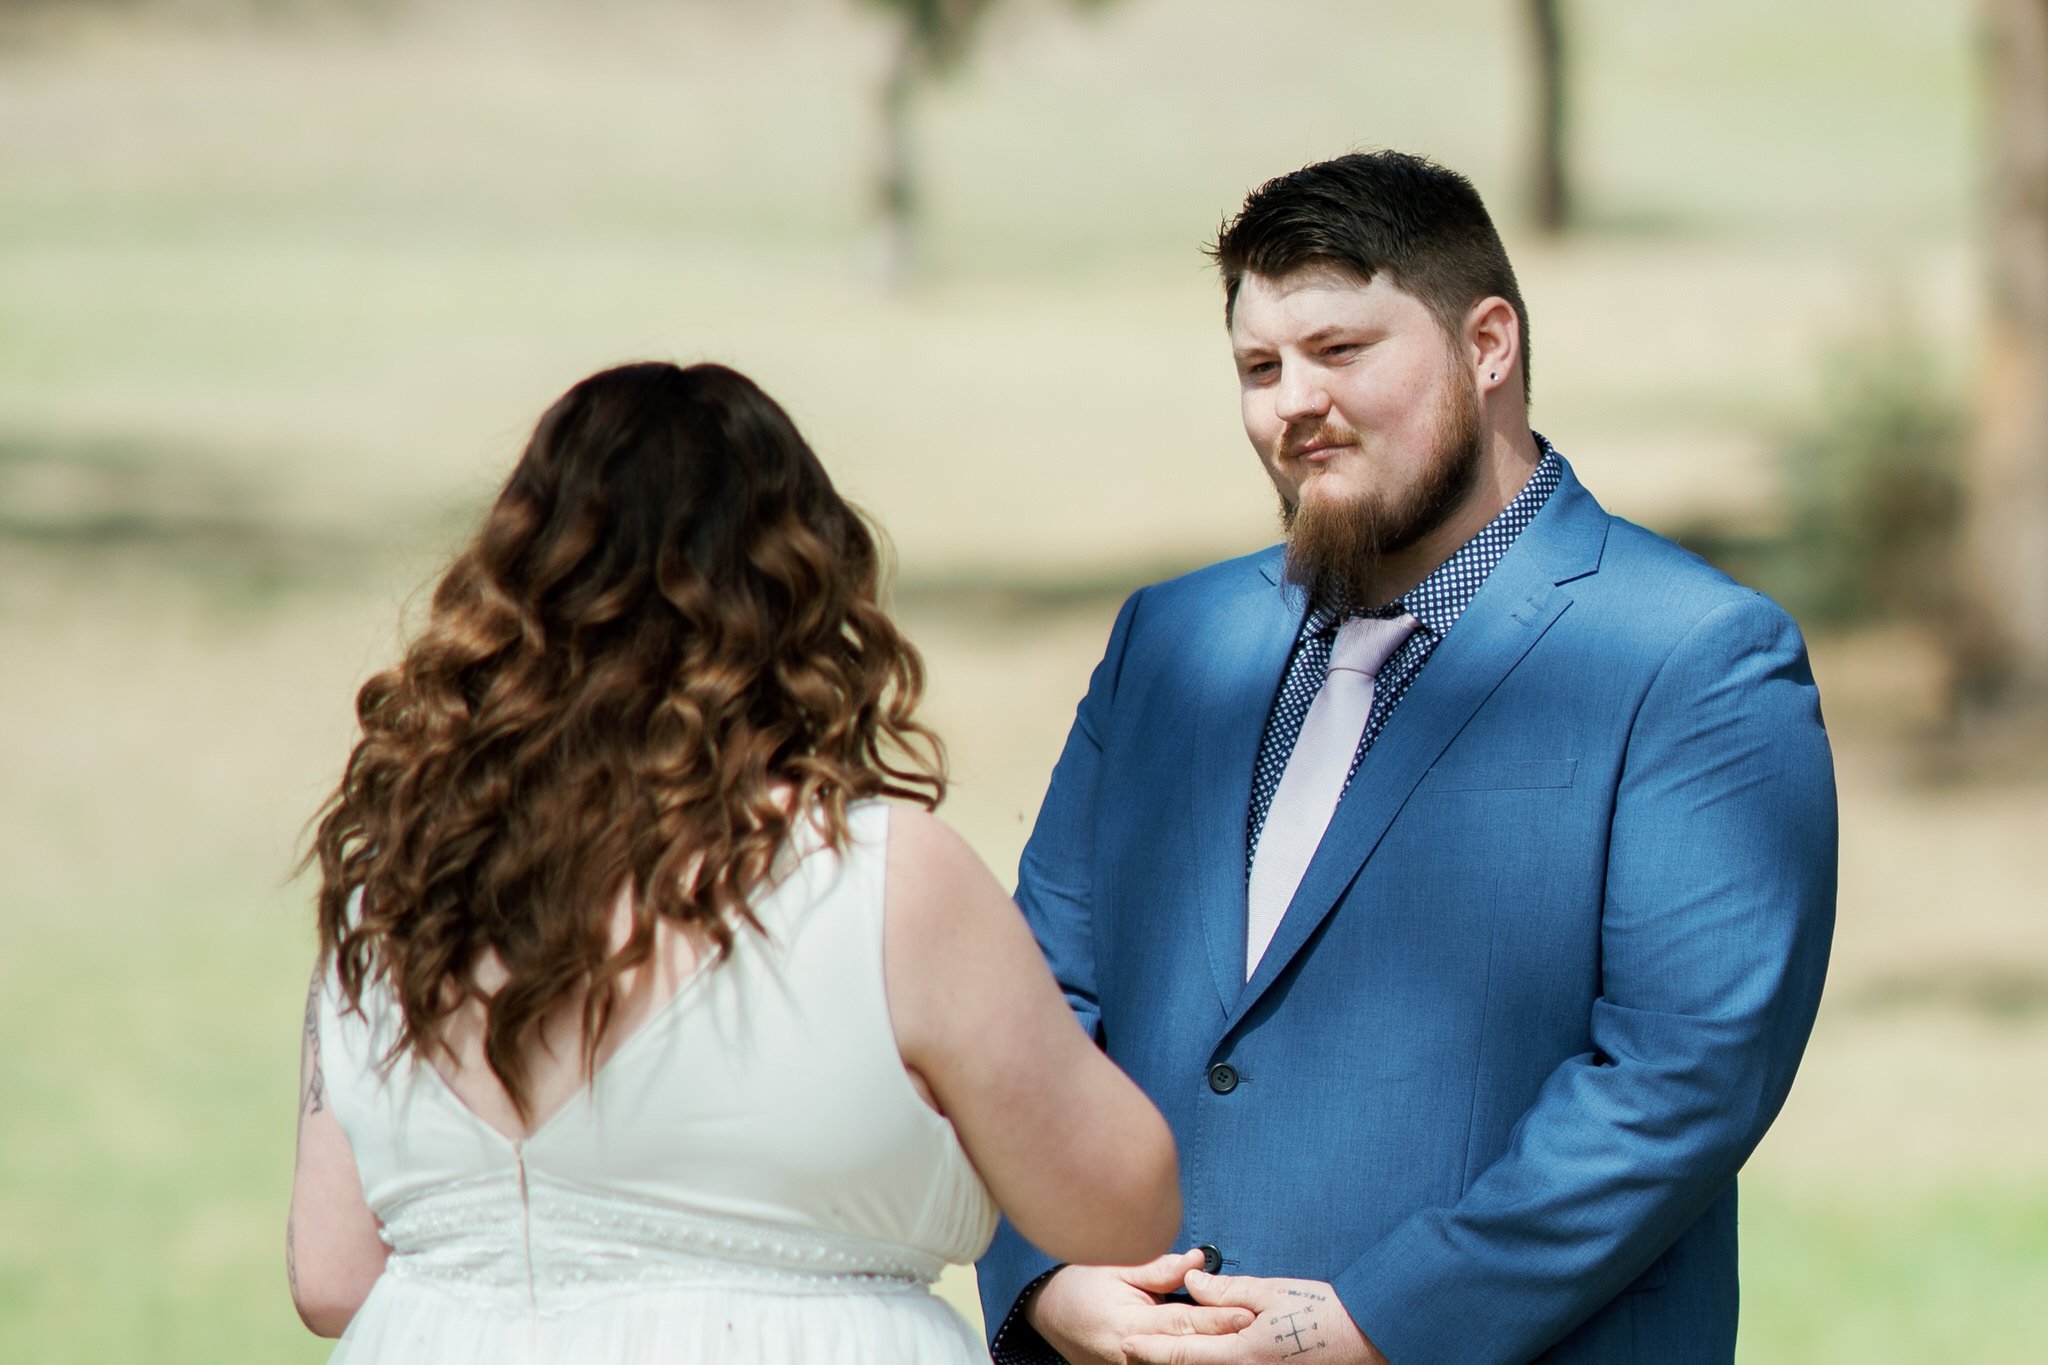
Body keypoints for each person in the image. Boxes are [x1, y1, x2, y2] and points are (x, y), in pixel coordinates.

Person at [976, 151, 1837, 1365]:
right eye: (1257, 368)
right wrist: (1050, 1272)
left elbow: (1680, 1079)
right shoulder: (1165, 641)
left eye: (1340, 352)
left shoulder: (1693, 655)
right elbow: (1027, 1010)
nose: (1290, 404)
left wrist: (1377, 1326)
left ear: (1488, 346)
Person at [286, 361, 1189, 1364]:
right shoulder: (882, 880)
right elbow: (1119, 1208)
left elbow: (332, 1275)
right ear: (802, 594)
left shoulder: (395, 882)